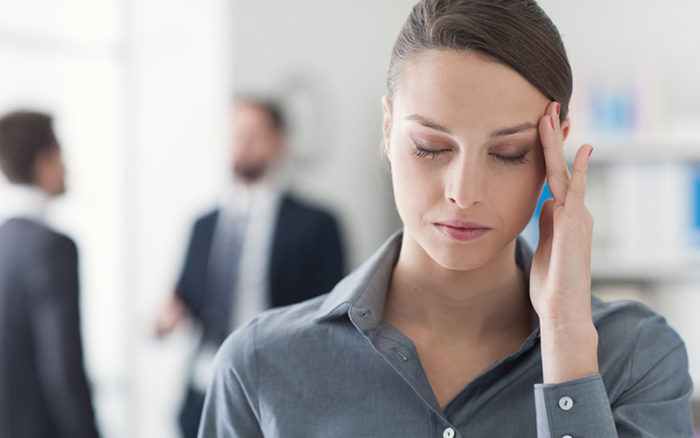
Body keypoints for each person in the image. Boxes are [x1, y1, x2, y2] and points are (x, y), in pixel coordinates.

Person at [198, 1, 694, 437]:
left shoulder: (637, 357)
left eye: (507, 153)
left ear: (553, 147)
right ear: (389, 129)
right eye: (430, 147)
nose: (463, 193)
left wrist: (566, 339)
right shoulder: (259, 365)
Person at [156, 97, 345, 438]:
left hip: (281, 391)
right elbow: (186, 296)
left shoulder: (317, 224)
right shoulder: (203, 225)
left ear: (279, 142)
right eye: (234, 134)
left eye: (252, 134)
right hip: (204, 390)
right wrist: (170, 315)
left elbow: (332, 316)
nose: (240, 143)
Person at [0, 111, 100, 438]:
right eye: (61, 156)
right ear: (43, 163)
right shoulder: (52, 247)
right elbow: (63, 367)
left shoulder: (6, 240)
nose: (66, 168)